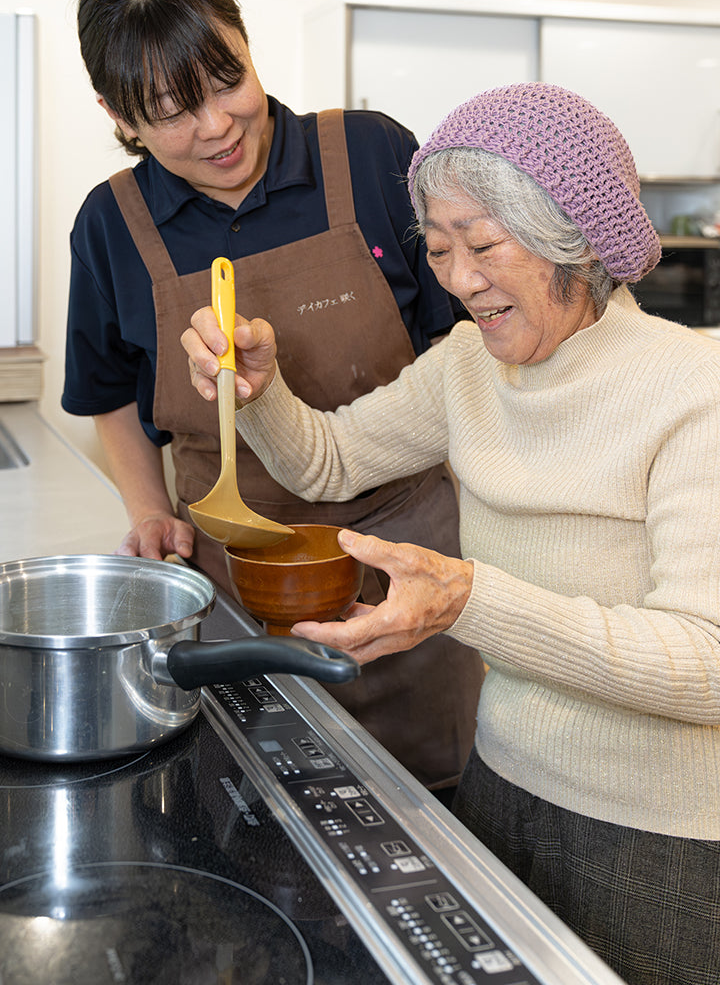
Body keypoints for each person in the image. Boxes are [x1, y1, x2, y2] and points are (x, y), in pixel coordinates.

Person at [183, 81, 720, 985]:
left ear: (575, 238)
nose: (460, 280)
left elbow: (707, 663)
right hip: (498, 784)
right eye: (438, 248)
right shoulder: (468, 365)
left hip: (660, 842)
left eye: (483, 245)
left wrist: (469, 600)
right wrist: (262, 388)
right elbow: (329, 463)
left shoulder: (693, 390)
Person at [61, 0, 483, 797]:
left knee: (440, 806)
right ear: (118, 114)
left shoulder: (370, 154)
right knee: (256, 804)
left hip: (412, 559)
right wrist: (148, 512)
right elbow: (109, 394)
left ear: (247, 43)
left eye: (227, 82)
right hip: (233, 583)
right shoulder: (112, 223)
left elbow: (459, 349)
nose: (216, 127)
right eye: (172, 112)